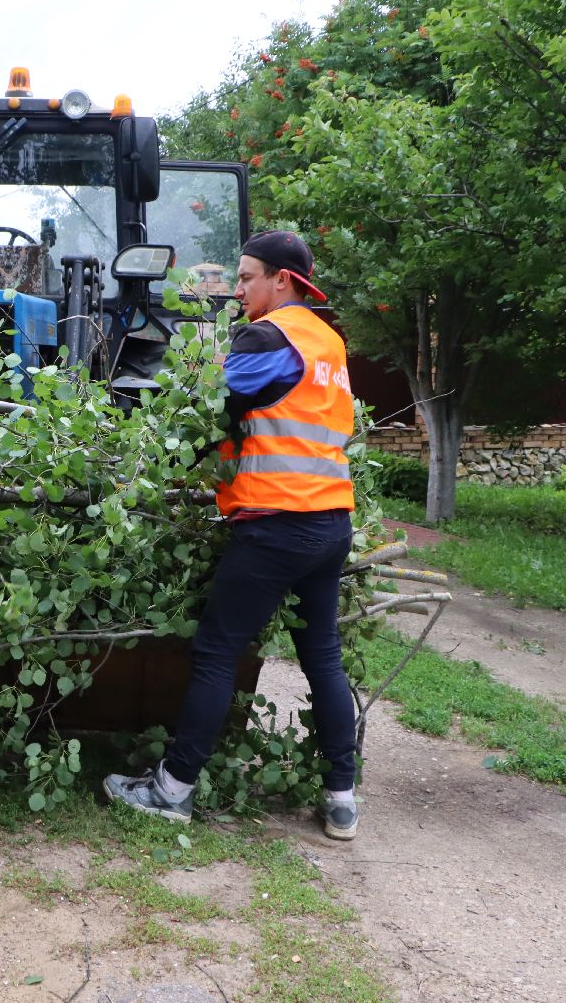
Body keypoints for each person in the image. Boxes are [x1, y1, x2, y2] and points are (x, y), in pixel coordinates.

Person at [104, 230, 361, 839]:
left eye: (247, 278)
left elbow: (214, 403)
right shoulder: (329, 342)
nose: (237, 289)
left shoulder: (268, 335)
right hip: (332, 523)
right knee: (322, 656)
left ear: (284, 281)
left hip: (277, 524)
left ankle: (173, 789)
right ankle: (342, 796)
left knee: (218, 651)